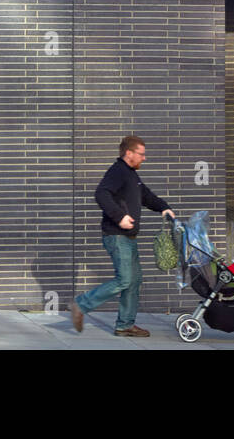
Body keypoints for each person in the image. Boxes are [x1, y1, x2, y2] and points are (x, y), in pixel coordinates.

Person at [71, 135, 173, 337]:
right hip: (116, 235)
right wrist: (120, 217)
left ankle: (125, 325)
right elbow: (101, 193)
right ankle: (81, 304)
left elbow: (146, 196)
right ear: (129, 153)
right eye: (141, 154)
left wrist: (164, 208)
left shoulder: (132, 175)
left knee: (134, 280)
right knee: (125, 279)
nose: (144, 158)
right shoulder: (118, 171)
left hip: (128, 237)